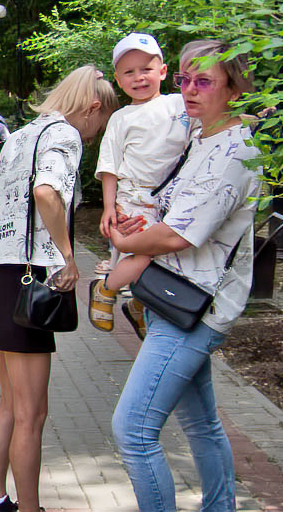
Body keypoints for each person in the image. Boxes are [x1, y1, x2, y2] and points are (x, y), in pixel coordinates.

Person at [108, 41, 260, 511]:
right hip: (171, 297)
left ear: (233, 90)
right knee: (202, 424)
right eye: (185, 80)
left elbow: (178, 236)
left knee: (132, 430)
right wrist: (135, 223)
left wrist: (123, 242)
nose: (190, 91)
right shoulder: (201, 138)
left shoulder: (234, 151)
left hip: (195, 308)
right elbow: (169, 210)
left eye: (204, 82)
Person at [0, 66, 117, 512]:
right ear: (92, 108)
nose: (94, 137)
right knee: (32, 414)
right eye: (100, 125)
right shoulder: (65, 135)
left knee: (10, 405)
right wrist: (69, 257)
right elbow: (47, 193)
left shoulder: (21, 135)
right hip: (28, 279)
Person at [89, 33, 196, 339]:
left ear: (163, 71)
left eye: (146, 69)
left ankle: (139, 304)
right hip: (134, 200)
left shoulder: (180, 104)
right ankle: (106, 289)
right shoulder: (121, 119)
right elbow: (109, 167)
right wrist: (109, 208)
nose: (139, 78)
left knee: (169, 261)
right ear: (118, 81)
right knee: (144, 255)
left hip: (172, 200)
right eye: (129, 72)